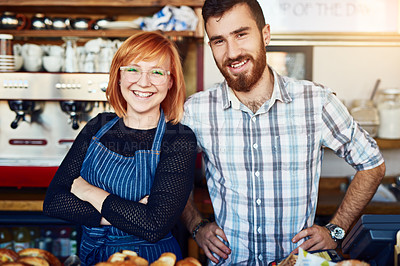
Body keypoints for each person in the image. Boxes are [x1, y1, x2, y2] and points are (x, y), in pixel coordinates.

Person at [180, 0, 386, 265]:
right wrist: (196, 225)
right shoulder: (196, 110)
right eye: (219, 41)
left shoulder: (316, 101)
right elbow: (166, 172)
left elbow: (372, 164)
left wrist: (336, 230)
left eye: (241, 34)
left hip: (296, 261)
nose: (232, 52)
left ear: (265, 34)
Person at [43, 32, 198, 265]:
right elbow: (54, 201)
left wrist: (88, 192)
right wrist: (132, 213)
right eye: (133, 69)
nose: (143, 82)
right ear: (118, 76)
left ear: (170, 81)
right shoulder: (98, 125)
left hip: (153, 259)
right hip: (93, 257)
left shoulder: (179, 139)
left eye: (156, 72)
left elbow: (154, 226)